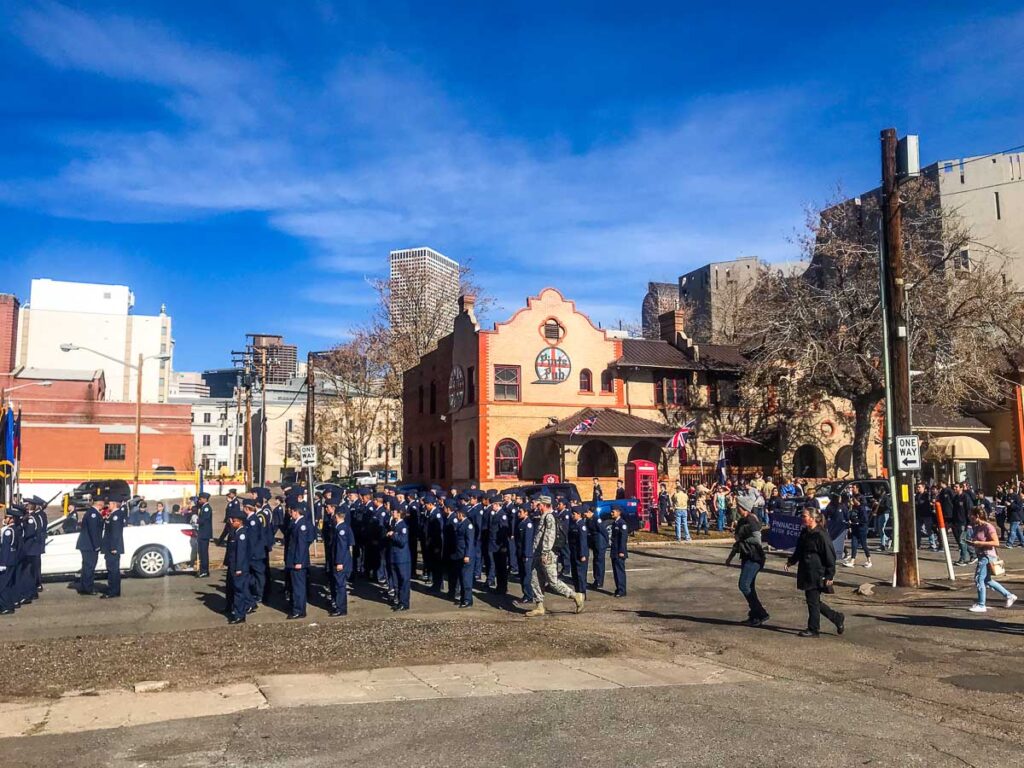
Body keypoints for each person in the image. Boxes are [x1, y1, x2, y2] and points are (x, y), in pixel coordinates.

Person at [786, 507, 845, 638]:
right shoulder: (805, 532)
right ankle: (836, 617)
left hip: (817, 572)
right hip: (806, 570)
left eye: (804, 516)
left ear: (812, 518)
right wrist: (791, 561)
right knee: (813, 600)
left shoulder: (821, 534)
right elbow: (799, 550)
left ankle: (813, 629)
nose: (802, 518)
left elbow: (830, 555)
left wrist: (830, 574)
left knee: (812, 601)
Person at [525, 495, 586, 617]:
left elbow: (549, 535)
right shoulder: (544, 516)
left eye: (539, 505)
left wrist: (546, 552)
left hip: (547, 555)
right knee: (536, 579)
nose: (538, 507)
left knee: (552, 581)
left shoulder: (549, 517)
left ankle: (576, 596)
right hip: (538, 554)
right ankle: (539, 606)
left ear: (544, 505)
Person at [966, 506, 1017, 613]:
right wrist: (972, 542)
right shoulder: (975, 526)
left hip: (987, 555)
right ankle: (1009, 595)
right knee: (987, 580)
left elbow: (996, 543)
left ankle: (981, 604)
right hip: (981, 554)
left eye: (971, 515)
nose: (969, 517)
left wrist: (980, 543)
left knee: (979, 578)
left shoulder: (988, 527)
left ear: (977, 516)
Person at [725, 504, 768, 626]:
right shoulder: (742, 521)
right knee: (749, 586)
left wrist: (743, 539)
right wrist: (730, 557)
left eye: (738, 506)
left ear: (743, 507)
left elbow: (757, 540)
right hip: (746, 556)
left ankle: (761, 613)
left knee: (743, 585)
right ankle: (755, 616)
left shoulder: (751, 520)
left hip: (755, 557)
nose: (736, 508)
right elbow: (738, 541)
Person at [285, 505, 314, 619]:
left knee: (298, 587)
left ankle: (299, 610)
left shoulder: (301, 525)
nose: (290, 513)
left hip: (298, 561)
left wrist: (298, 561)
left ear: (296, 512)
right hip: (294, 560)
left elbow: (301, 546)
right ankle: (297, 607)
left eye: (291, 511)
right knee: (296, 586)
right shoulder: (296, 523)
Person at [224, 507, 250, 624]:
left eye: (234, 521)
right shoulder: (236, 532)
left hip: (239, 567)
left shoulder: (242, 534)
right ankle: (235, 610)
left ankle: (240, 615)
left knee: (239, 591)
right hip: (233, 565)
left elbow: (241, 553)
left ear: (240, 522)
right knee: (233, 589)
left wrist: (239, 568)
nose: (232, 522)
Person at [76, 495, 104, 596]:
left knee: (87, 567)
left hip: (87, 544)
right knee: (89, 567)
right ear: (99, 503)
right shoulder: (93, 514)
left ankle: (84, 586)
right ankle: (88, 588)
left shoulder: (93, 513)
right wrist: (97, 545)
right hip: (89, 545)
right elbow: (93, 531)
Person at [386, 504, 412, 611]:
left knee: (404, 580)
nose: (393, 513)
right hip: (394, 557)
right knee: (396, 581)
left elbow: (402, 541)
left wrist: (393, 535)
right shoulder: (394, 524)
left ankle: (404, 602)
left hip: (402, 558)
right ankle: (398, 600)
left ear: (399, 513)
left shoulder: (403, 526)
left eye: (394, 511)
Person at [100, 492, 125, 599]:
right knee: (113, 569)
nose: (108, 505)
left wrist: (114, 547)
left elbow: (115, 533)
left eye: (109, 503)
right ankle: (115, 590)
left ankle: (112, 591)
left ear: (114, 504)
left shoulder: (115, 516)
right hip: (111, 546)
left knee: (112, 570)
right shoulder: (114, 515)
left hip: (112, 547)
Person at [329, 505, 352, 617]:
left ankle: (341, 608)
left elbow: (341, 547)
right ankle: (340, 606)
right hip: (341, 560)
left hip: (341, 561)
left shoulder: (341, 529)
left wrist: (339, 562)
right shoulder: (343, 527)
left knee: (340, 585)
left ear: (336, 516)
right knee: (339, 584)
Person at [0, 505, 21, 614]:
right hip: (12, 559)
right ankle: (11, 603)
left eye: (7, 517)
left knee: (2, 585)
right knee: (9, 583)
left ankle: (6, 606)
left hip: (6, 561)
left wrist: (2, 563)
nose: (5, 519)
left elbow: (5, 548)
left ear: (11, 519)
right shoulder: (15, 529)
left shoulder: (8, 531)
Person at [453, 504, 474, 608]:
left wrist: (468, 555)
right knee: (461, 577)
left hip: (466, 555)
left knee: (466, 578)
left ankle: (468, 600)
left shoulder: (468, 525)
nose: (456, 515)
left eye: (457, 513)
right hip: (459, 554)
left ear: (461, 514)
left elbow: (469, 542)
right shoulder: (461, 523)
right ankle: (463, 598)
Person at [514, 505, 536, 605]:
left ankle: (529, 595)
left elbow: (527, 541)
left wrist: (526, 555)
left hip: (526, 554)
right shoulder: (521, 523)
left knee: (527, 575)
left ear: (526, 513)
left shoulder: (528, 524)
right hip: (520, 552)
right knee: (522, 575)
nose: (519, 513)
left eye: (521, 512)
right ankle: (526, 594)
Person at [584, 505, 609, 589]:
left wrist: (606, 542)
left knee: (599, 562)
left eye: (586, 512)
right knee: (595, 561)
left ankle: (599, 581)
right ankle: (596, 579)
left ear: (590, 512)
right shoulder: (588, 519)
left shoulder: (596, 519)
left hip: (600, 543)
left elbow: (603, 531)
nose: (585, 514)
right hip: (595, 543)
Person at [568, 506, 589, 597]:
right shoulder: (573, 524)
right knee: (575, 573)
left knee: (581, 574)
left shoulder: (581, 525)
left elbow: (583, 541)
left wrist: (583, 554)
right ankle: (578, 592)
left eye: (574, 514)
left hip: (580, 553)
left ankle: (582, 593)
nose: (572, 515)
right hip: (573, 552)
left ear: (579, 514)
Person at [610, 506, 628, 597]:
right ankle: (618, 588)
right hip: (614, 551)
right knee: (615, 571)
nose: (611, 513)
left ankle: (622, 590)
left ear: (618, 512)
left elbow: (623, 539)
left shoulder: (622, 523)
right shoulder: (615, 523)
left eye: (613, 512)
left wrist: (622, 551)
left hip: (619, 551)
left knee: (620, 571)